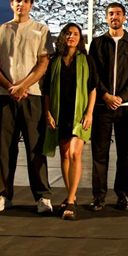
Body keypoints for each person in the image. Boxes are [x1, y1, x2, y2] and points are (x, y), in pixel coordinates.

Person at [0, 0, 54, 214]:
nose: (21, 4)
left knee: (35, 149)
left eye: (25, 1)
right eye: (17, 1)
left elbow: (43, 64)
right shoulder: (0, 30)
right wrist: (10, 87)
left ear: (31, 5)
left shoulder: (40, 30)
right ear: (11, 3)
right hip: (6, 97)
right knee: (5, 149)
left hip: (32, 96)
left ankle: (43, 197)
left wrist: (23, 86)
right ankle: (3, 195)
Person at [87, 2, 128, 212]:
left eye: (118, 13)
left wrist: (120, 97)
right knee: (99, 154)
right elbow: (94, 73)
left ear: (124, 17)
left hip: (125, 108)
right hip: (102, 106)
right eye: (111, 14)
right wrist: (105, 95)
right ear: (106, 17)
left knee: (124, 154)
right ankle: (99, 196)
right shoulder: (97, 43)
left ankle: (122, 195)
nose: (114, 17)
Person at [42, 23, 97, 220]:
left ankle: (72, 201)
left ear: (80, 38)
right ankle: (70, 194)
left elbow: (92, 88)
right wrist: (48, 114)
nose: (71, 37)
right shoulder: (55, 60)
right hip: (60, 113)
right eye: (68, 33)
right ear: (63, 36)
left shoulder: (86, 60)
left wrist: (89, 113)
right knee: (64, 155)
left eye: (75, 34)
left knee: (75, 153)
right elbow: (47, 90)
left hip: (79, 115)